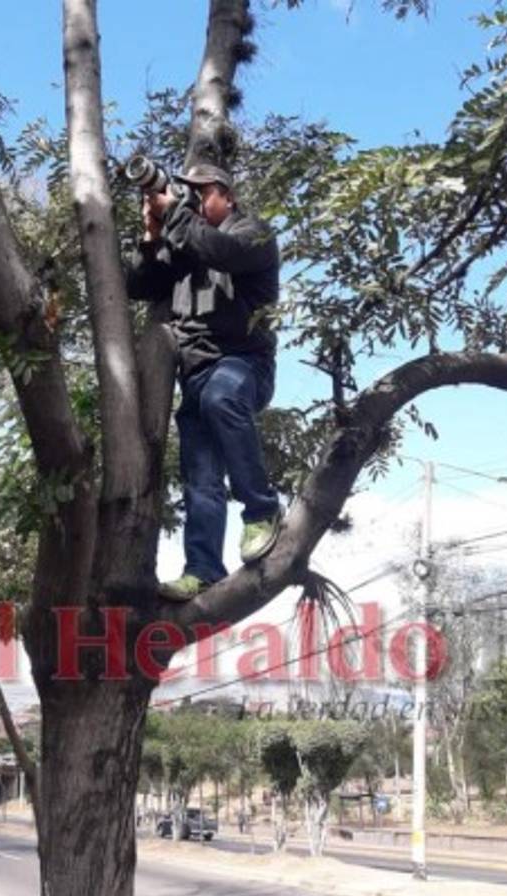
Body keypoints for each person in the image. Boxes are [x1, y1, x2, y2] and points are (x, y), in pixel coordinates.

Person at [127, 162, 283, 602]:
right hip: (194, 374)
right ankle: (203, 569)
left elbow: (221, 251)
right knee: (200, 476)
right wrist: (152, 231)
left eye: (203, 193)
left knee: (220, 398)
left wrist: (176, 211)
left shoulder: (252, 232)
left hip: (243, 363)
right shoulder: (184, 242)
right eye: (188, 193)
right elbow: (140, 284)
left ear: (228, 196)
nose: (194, 201)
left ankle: (262, 511)